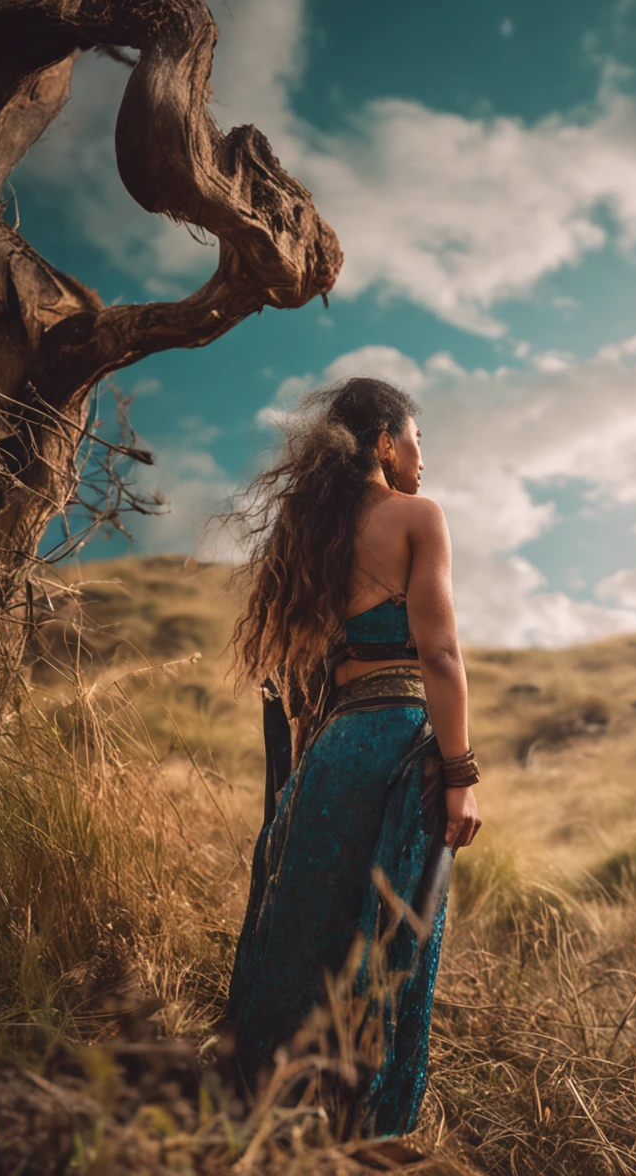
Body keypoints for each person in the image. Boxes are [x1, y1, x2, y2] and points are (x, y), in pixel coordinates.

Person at [222, 375, 482, 1138]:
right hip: (401, 749)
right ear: (383, 443)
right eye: (415, 438)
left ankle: (257, 1101)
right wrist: (460, 775)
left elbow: (308, 684)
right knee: (397, 932)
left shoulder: (313, 534)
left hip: (334, 750)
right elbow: (439, 654)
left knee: (305, 924)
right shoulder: (417, 517)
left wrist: (305, 775)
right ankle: (367, 1129)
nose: (422, 456)